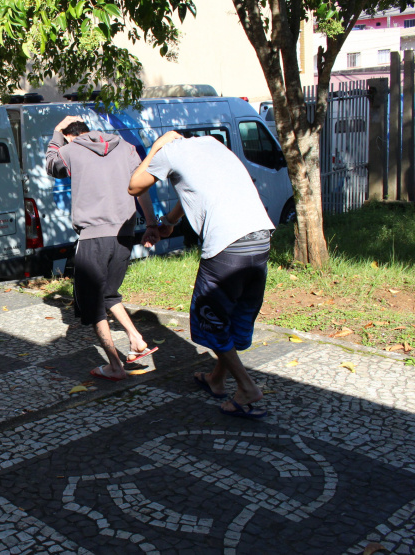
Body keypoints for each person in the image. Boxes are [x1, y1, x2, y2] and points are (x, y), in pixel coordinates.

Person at [129, 131, 275, 418]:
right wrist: (170, 221)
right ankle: (216, 379)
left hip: (226, 245)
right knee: (233, 316)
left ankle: (246, 387)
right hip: (260, 238)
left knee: (209, 318)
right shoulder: (212, 145)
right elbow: (196, 193)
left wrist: (156, 147)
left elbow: (134, 186)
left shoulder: (169, 152)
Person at [45, 115, 160, 382]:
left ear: (70, 137)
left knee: (93, 305)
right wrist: (151, 224)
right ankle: (137, 340)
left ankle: (115, 366)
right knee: (109, 293)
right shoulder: (125, 147)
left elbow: (52, 164)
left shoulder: (72, 148)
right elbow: (141, 187)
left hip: (92, 237)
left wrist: (56, 132)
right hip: (124, 235)